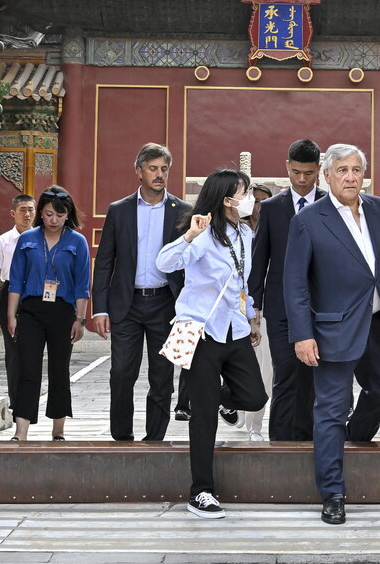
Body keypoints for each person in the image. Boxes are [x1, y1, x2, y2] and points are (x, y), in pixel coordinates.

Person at [283, 144, 380, 525]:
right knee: (330, 412)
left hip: (378, 325)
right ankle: (332, 492)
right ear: (327, 175)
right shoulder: (309, 220)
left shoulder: (378, 209)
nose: (350, 176)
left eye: (356, 170)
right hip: (332, 329)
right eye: (342, 170)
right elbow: (295, 284)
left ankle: (359, 431)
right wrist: (303, 335)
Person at [156, 169, 268, 518]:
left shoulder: (245, 232)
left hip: (233, 329)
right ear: (226, 199)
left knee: (255, 396)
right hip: (202, 332)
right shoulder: (203, 235)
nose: (250, 197)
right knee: (203, 418)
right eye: (245, 191)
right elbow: (165, 263)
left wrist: (250, 315)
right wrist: (189, 235)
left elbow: (240, 281)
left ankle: (216, 397)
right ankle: (200, 492)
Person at [91, 143, 192, 441]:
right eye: (153, 169)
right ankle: (122, 437)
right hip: (127, 304)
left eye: (164, 169)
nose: (159, 175)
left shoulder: (183, 211)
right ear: (139, 172)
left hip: (166, 304)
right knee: (122, 373)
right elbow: (105, 261)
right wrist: (100, 308)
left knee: (162, 376)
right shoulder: (119, 211)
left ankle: (155, 439)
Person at [248, 139, 326, 441]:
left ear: (319, 169)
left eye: (309, 173)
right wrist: (253, 308)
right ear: (287, 168)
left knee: (310, 378)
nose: (302, 180)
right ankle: (279, 446)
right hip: (280, 308)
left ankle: (306, 443)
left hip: (320, 308)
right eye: (296, 173)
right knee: (285, 375)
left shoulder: (330, 204)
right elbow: (259, 260)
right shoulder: (270, 208)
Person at [6, 186, 91, 442]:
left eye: (60, 215)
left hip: (63, 312)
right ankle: (21, 432)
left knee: (59, 370)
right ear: (40, 213)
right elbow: (16, 281)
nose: (54, 220)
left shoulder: (77, 241)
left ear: (68, 215)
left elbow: (82, 284)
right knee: (28, 370)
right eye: (49, 214)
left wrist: (80, 319)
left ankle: (58, 430)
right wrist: (12, 315)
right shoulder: (27, 239)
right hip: (31, 310)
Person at [0, 194, 36, 405]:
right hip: (9, 294)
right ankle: (16, 401)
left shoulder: (43, 238)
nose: (27, 215)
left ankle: (31, 398)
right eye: (22, 210)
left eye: (30, 210)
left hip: (35, 294)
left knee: (34, 350)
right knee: (14, 351)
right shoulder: (2, 242)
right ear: (13, 213)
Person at [241, 184, 274, 441]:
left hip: (260, 310)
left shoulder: (275, 232)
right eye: (255, 201)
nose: (259, 206)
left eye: (264, 201)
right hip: (234, 307)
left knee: (264, 369)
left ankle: (256, 425)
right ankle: (237, 410)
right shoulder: (236, 231)